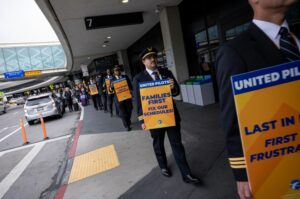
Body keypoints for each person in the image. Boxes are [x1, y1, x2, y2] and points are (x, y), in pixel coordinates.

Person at [215, 1, 300, 199]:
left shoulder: (296, 39)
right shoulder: (234, 52)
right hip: (276, 167)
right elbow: (232, 119)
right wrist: (243, 172)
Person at [133, 47, 201, 184]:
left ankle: (186, 174)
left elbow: (176, 92)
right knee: (158, 144)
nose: (153, 59)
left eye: (154, 56)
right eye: (149, 57)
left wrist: (173, 87)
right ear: (143, 61)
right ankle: (163, 166)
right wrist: (142, 120)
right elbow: (139, 101)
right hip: (153, 118)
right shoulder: (138, 79)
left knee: (177, 144)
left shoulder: (166, 72)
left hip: (170, 116)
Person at [110, 66, 133, 131]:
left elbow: (130, 86)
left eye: (119, 70)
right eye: (116, 70)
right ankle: (127, 125)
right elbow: (110, 91)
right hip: (118, 99)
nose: (117, 71)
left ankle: (128, 120)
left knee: (130, 109)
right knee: (123, 112)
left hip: (127, 97)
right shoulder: (112, 80)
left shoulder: (125, 77)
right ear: (114, 72)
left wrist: (131, 91)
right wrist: (111, 87)